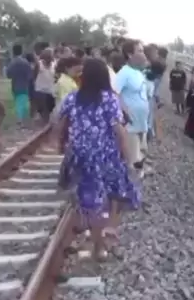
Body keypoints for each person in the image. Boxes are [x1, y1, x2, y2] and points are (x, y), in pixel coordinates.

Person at [55, 58, 140, 260]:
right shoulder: (110, 99)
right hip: (106, 155)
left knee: (91, 202)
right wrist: (128, 159)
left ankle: (99, 246)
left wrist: (61, 145)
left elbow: (61, 123)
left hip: (81, 156)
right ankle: (108, 233)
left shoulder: (73, 98)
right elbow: (119, 130)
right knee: (117, 193)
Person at [115, 39, 151, 176]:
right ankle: (131, 183)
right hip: (130, 125)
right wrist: (124, 110)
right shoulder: (124, 73)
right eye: (140, 51)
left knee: (140, 155)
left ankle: (138, 174)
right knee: (132, 161)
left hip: (141, 122)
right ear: (130, 54)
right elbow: (114, 93)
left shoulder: (138, 72)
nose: (143, 54)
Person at [6, 44, 34, 125]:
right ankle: (20, 120)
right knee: (22, 103)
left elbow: (8, 75)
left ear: (13, 52)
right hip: (24, 85)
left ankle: (21, 119)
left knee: (18, 102)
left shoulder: (12, 63)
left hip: (14, 86)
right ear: (21, 51)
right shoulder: (25, 62)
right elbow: (30, 76)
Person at [34, 48, 56, 123]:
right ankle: (44, 122)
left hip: (51, 90)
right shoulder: (39, 64)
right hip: (40, 89)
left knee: (50, 107)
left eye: (51, 57)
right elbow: (34, 75)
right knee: (43, 108)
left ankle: (47, 122)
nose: (50, 59)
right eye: (48, 57)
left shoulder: (54, 64)